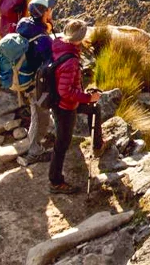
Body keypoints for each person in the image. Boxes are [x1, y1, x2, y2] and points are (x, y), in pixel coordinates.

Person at [49, 19, 103, 194]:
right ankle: (55, 182)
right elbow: (65, 91)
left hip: (65, 102)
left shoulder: (59, 44)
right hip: (66, 106)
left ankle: (98, 145)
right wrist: (88, 97)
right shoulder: (71, 60)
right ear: (80, 38)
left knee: (95, 110)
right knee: (62, 143)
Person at [15, 0, 56, 163]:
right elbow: (49, 64)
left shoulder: (24, 24)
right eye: (49, 9)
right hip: (35, 82)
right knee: (40, 115)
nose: (52, 10)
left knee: (38, 113)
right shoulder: (43, 39)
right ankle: (34, 152)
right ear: (45, 13)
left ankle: (38, 141)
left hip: (23, 74)